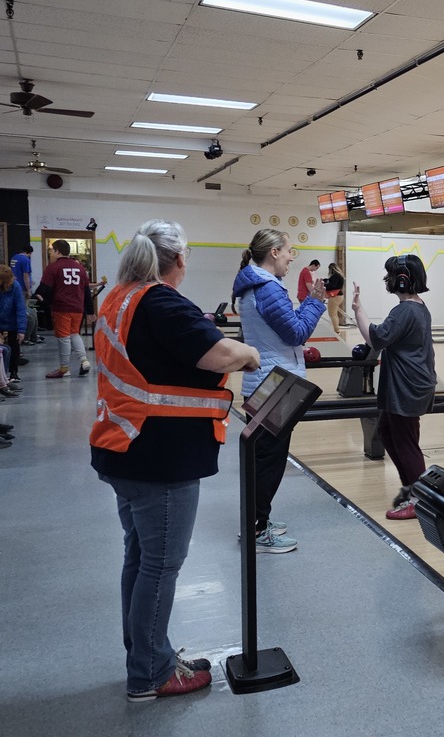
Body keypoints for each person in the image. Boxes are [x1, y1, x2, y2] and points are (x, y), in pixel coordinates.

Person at [89, 219, 260, 702]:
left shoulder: (119, 297)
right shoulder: (159, 301)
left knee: (141, 559)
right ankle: (150, 674)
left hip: (124, 447)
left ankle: (147, 656)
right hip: (158, 456)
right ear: (179, 259)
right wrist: (247, 353)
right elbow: (217, 353)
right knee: (161, 565)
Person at [232, 229, 325, 553]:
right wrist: (315, 302)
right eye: (288, 251)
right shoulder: (267, 288)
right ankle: (257, 529)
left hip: (267, 380)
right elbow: (296, 334)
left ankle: (257, 519)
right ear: (273, 252)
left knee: (264, 457)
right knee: (269, 460)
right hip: (276, 384)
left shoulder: (254, 285)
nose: (290, 257)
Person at [351, 254, 436, 520]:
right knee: (387, 432)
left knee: (406, 442)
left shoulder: (406, 310)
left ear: (402, 281)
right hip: (407, 383)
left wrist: (358, 309)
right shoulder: (416, 307)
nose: (386, 280)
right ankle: (412, 487)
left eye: (390, 276)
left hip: (407, 386)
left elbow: (376, 338)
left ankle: (419, 499)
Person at [35, 239, 94, 378]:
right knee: (74, 334)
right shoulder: (80, 268)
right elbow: (86, 291)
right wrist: (90, 311)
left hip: (61, 307)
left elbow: (45, 289)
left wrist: (39, 300)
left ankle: (64, 368)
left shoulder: (53, 267)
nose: (50, 253)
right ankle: (84, 360)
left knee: (63, 338)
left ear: (57, 251)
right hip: (78, 308)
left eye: (51, 250)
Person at [0, 265, 27, 384]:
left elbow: (20, 308)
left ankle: (14, 373)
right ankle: (3, 377)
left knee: (14, 347)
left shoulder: (15, 286)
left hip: (12, 323)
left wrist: (21, 330)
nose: (10, 283)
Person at [325, 262, 346, 333]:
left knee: (332, 313)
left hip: (335, 297)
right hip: (340, 296)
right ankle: (336, 329)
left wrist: (324, 285)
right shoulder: (340, 275)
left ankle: (336, 330)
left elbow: (332, 285)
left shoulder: (335, 276)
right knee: (334, 313)